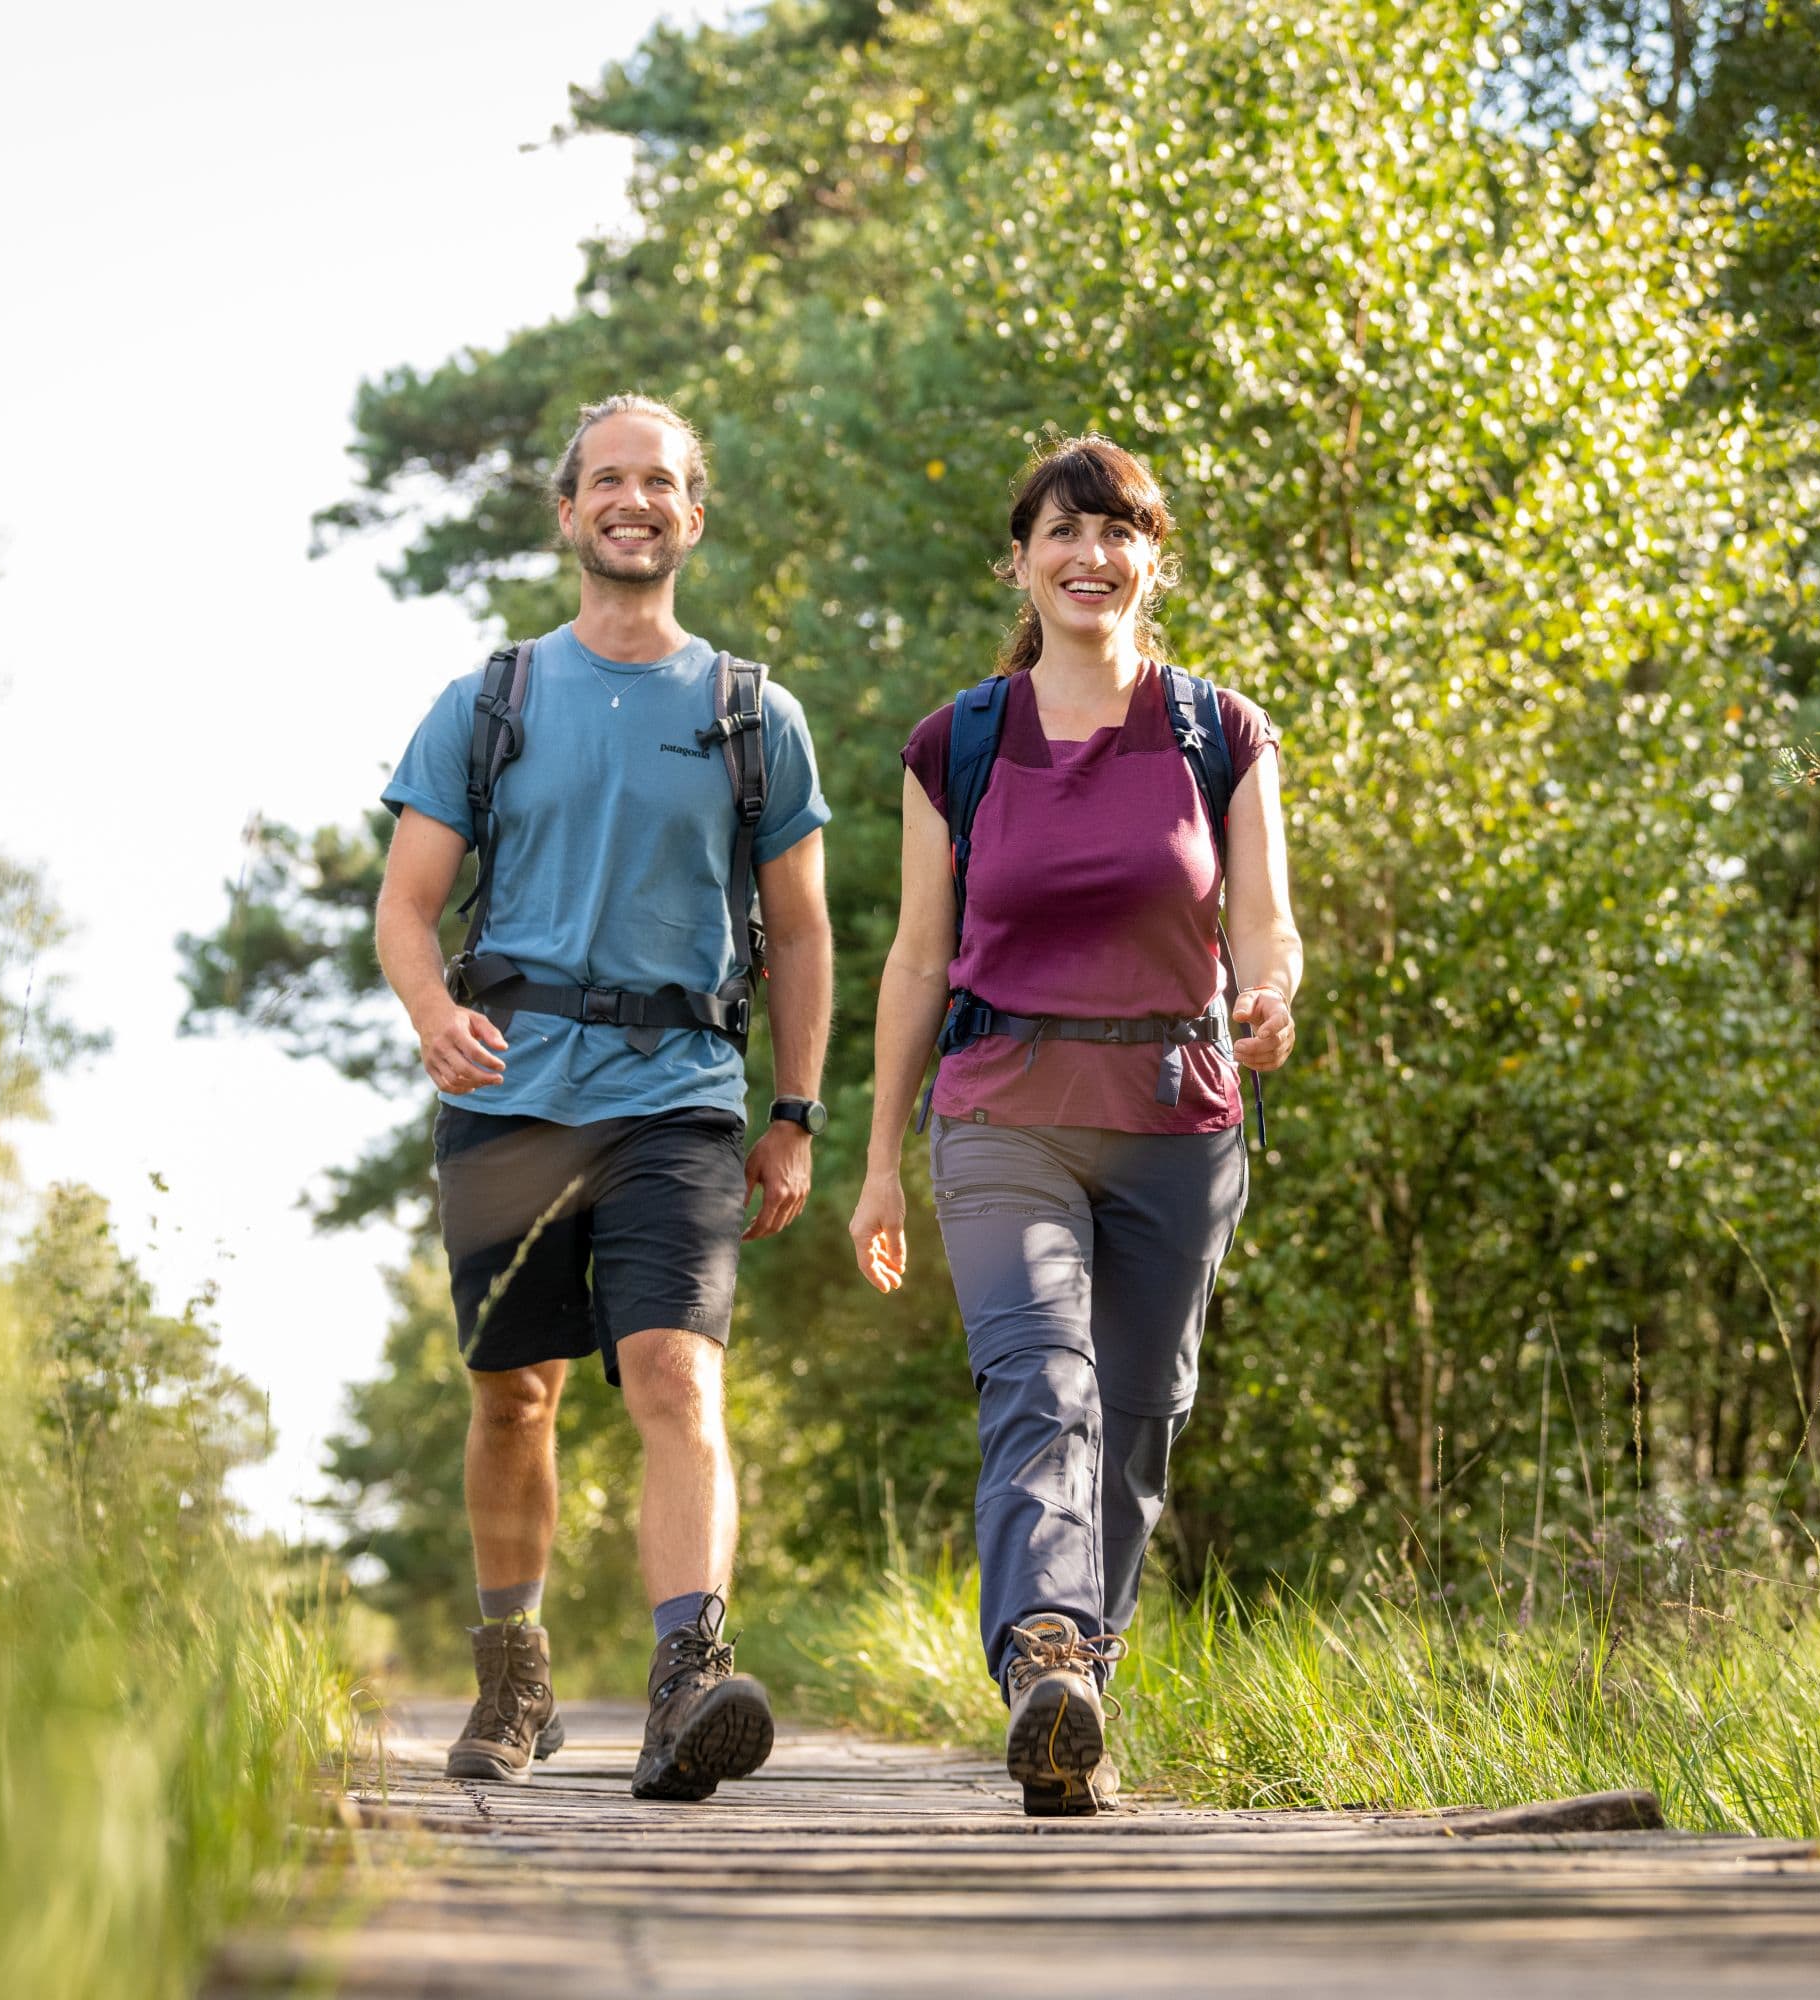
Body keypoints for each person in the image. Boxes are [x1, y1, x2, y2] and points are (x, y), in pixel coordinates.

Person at [375, 393, 833, 1802]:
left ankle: (687, 1673)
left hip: (678, 1102)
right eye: (607, 482)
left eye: (662, 484)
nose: (633, 502)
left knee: (675, 1375)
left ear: (693, 517)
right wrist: (432, 1011)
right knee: (516, 1396)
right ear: (570, 514)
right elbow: (405, 904)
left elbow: (805, 931)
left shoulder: (754, 714)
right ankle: (514, 1671)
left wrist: (797, 1115)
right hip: (512, 1097)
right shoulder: (489, 701)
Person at [846, 435, 1301, 1816]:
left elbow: (1263, 919)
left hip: (1175, 1114)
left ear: (1152, 559)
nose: (1089, 557)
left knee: (1142, 1413)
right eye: (1063, 532)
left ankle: (1076, 1702)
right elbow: (921, 958)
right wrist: (876, 1162)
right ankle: (1044, 1652)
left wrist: (1272, 989)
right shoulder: (958, 742)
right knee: (1041, 1381)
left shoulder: (1219, 729)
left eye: (1116, 534)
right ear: (1022, 561)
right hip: (1002, 1110)